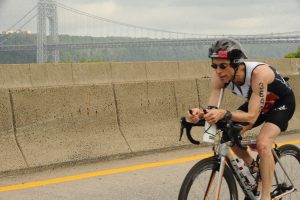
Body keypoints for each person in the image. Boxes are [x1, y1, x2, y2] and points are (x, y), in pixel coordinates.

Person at [187, 38, 295, 200]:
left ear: (236, 64)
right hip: (258, 103)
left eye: (223, 66)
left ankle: (265, 197)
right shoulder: (219, 77)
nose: (218, 71)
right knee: (227, 134)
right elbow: (213, 110)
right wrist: (200, 115)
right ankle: (253, 166)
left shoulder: (259, 74)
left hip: (281, 103)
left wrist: (224, 113)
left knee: (263, 143)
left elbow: (252, 116)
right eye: (214, 66)